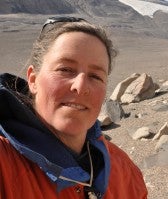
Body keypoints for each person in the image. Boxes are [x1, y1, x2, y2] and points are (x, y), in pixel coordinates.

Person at [0, 16, 148, 199]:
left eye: (95, 76)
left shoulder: (123, 171)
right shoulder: (5, 163)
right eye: (65, 69)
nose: (81, 86)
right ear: (33, 79)